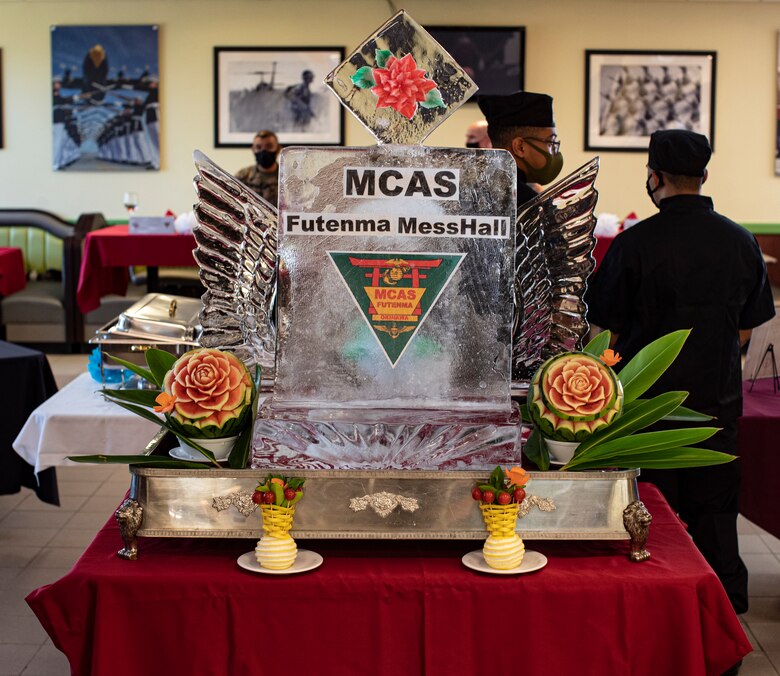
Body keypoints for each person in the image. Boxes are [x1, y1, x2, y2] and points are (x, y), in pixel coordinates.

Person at [585, 130, 776, 623]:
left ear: (655, 177)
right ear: (704, 176)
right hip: (717, 407)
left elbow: (603, 326)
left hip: (647, 412)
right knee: (716, 519)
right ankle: (724, 620)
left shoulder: (633, 244)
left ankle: (657, 618)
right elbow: (749, 323)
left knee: (652, 519)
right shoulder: (740, 241)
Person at [477, 91, 563, 207]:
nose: (554, 151)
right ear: (520, 147)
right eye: (550, 142)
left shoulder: (476, 188)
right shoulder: (533, 206)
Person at [235, 130, 280, 206]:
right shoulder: (243, 176)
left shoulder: (287, 177)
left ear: (278, 149)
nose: (263, 151)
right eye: (258, 147)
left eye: (269, 146)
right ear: (253, 150)